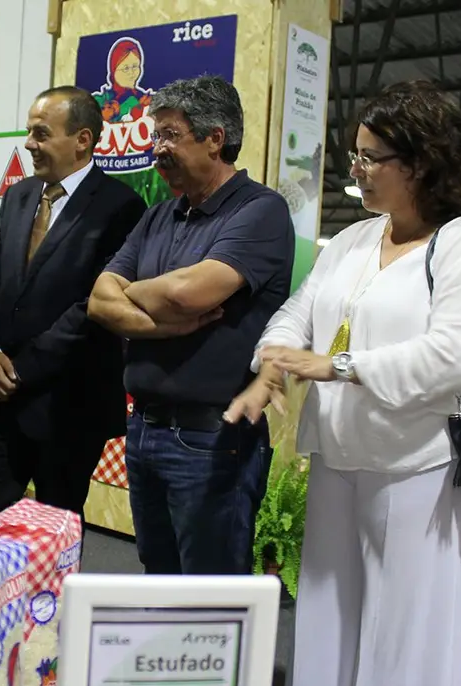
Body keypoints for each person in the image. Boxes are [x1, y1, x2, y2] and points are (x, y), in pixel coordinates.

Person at [225, 80, 461, 686]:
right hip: (338, 455)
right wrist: (270, 366)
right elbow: (299, 313)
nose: (356, 170)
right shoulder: (355, 240)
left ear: (421, 162)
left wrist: (338, 366)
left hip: (417, 465)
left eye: (370, 157)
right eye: (354, 155)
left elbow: (451, 358)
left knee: (403, 627)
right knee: (328, 611)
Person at [87, 76, 293, 575]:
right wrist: (162, 324)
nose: (157, 148)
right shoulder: (159, 215)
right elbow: (97, 299)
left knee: (210, 593)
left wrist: (135, 293)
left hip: (212, 439)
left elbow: (190, 293)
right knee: (158, 574)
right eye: (155, 135)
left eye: (169, 135)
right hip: (145, 431)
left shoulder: (260, 210)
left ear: (215, 138)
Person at [0, 86, 146, 519]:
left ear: (82, 139)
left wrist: (22, 368)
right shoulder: (20, 197)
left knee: (52, 534)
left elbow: (93, 307)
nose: (29, 144)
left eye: (41, 134)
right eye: (29, 133)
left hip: (69, 407)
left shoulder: (122, 208)